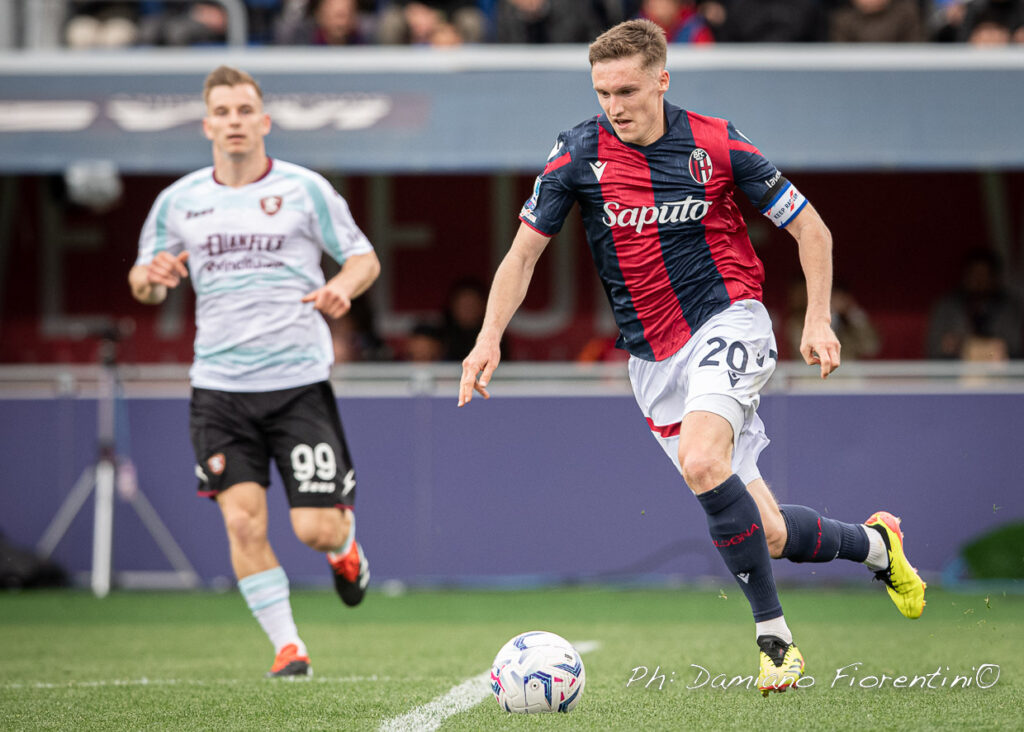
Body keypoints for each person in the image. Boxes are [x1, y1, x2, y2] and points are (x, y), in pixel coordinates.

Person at [458, 19, 925, 695]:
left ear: (662, 80)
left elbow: (811, 228)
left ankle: (775, 641)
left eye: (627, 89)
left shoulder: (716, 143)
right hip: (653, 362)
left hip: (729, 319)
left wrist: (818, 317)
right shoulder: (576, 153)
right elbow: (524, 251)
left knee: (702, 460)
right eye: (602, 92)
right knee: (762, 532)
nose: (614, 105)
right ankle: (878, 546)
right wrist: (488, 336)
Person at [128, 66, 379, 678]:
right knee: (242, 520)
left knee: (314, 529)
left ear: (263, 122)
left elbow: (363, 257)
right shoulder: (179, 201)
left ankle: (344, 549)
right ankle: (289, 646)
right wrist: (151, 282)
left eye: (245, 111)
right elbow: (142, 280)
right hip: (218, 390)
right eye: (224, 111)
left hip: (297, 385)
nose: (235, 122)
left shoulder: (305, 189)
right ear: (207, 123)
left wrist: (341, 288)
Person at [926, 248, 1023, 360]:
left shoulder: (1010, 307)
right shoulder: (947, 307)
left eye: (983, 275)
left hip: (1000, 372)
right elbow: (935, 347)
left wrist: (983, 348)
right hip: (954, 372)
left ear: (995, 277)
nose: (978, 281)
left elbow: (1014, 347)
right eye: (973, 274)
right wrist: (965, 347)